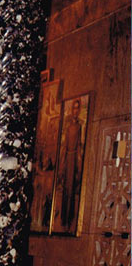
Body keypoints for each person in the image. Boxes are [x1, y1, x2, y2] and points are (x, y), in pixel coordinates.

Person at [58, 98, 83, 231]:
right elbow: (63, 145)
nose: (75, 110)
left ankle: (70, 219)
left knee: (72, 190)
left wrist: (79, 162)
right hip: (67, 157)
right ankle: (63, 218)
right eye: (74, 107)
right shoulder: (68, 126)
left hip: (74, 158)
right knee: (66, 190)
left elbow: (79, 144)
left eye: (77, 108)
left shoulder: (80, 126)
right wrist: (62, 162)